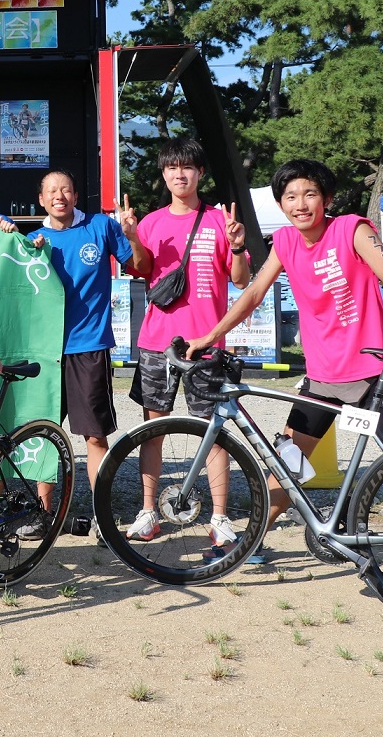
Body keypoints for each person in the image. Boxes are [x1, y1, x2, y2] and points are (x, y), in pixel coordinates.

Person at [185, 161, 383, 611]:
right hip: (322, 377)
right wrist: (209, 335)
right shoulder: (285, 241)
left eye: (309, 194)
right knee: (287, 463)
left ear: (325, 198)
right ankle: (245, 544)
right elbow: (251, 293)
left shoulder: (352, 229)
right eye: (290, 196)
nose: (300, 204)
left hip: (371, 373)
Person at [123, 139, 252, 557]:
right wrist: (130, 236)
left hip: (207, 343)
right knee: (152, 429)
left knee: (214, 434)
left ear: (200, 173)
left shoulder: (219, 220)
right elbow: (140, 269)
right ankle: (147, 512)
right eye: (172, 168)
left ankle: (219, 518)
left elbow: (241, 279)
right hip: (158, 341)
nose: (180, 175)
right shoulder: (152, 222)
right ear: (164, 175)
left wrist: (236, 247)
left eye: (188, 167)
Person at [29, 169, 143, 528]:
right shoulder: (31, 241)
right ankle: (42, 513)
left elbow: (138, 266)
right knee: (44, 433)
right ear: (42, 200)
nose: (59, 196)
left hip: (89, 346)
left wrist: (132, 235)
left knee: (95, 434)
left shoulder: (100, 226)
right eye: (52, 191)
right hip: (45, 351)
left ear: (76, 197)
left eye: (66, 189)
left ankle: (101, 514)